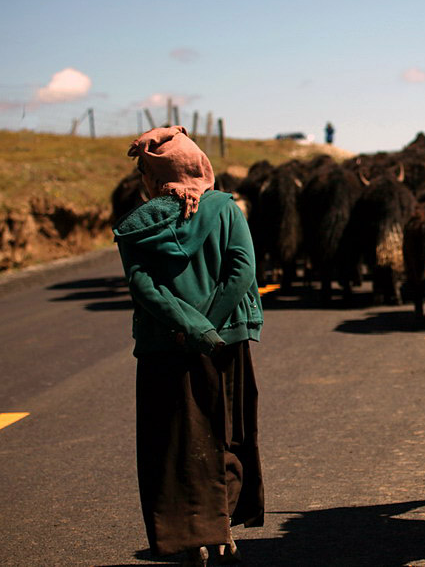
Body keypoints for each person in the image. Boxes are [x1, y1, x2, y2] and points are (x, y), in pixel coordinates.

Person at [113, 126, 264, 566]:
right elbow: (242, 270)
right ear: (197, 164)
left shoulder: (136, 226)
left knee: (174, 442)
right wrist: (210, 329)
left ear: (153, 177)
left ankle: (190, 538)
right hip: (226, 342)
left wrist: (187, 327)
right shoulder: (225, 209)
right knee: (227, 432)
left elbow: (142, 285)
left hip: (165, 344)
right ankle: (223, 534)